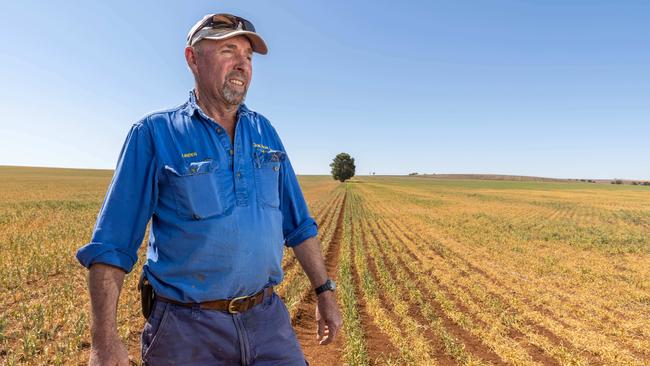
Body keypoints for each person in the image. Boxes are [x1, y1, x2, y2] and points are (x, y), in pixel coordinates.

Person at [76, 13, 342, 366]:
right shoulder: (155, 133)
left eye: (247, 56)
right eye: (228, 51)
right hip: (187, 332)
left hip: (267, 322)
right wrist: (104, 341)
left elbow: (299, 224)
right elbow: (112, 245)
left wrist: (324, 291)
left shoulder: (266, 133)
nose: (241, 64)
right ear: (192, 59)